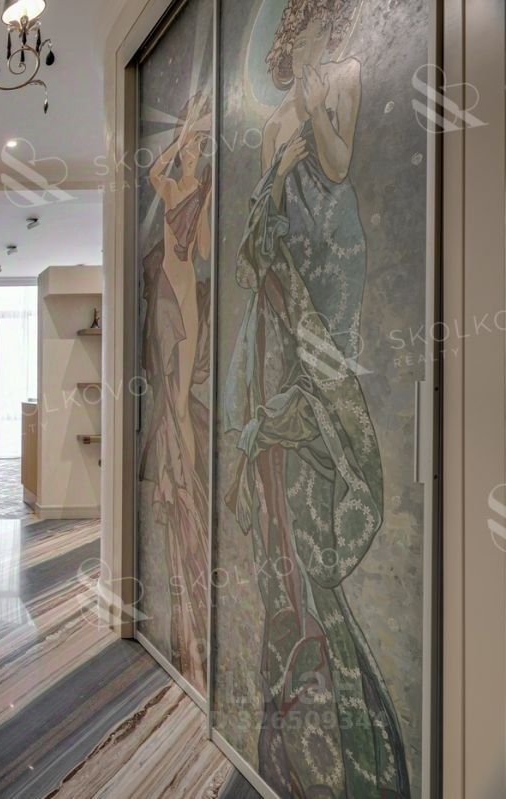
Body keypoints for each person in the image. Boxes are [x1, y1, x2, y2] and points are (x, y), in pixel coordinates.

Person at [221, 0, 410, 794]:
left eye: (326, 30)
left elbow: (335, 166)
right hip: (282, 297)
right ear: (288, 42)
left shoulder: (348, 78)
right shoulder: (270, 130)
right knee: (281, 531)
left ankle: (357, 740)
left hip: (328, 275)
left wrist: (312, 104)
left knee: (320, 429)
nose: (320, 41)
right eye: (307, 33)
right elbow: (255, 237)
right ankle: (294, 720)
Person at [139, 91, 213, 693]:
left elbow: (206, 250)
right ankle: (176, 470)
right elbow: (152, 174)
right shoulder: (170, 188)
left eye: (199, 144)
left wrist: (204, 199)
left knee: (180, 391)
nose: (191, 152)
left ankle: (183, 472)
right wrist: (181, 136)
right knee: (169, 389)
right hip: (166, 289)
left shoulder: (200, 192)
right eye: (189, 143)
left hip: (185, 289)